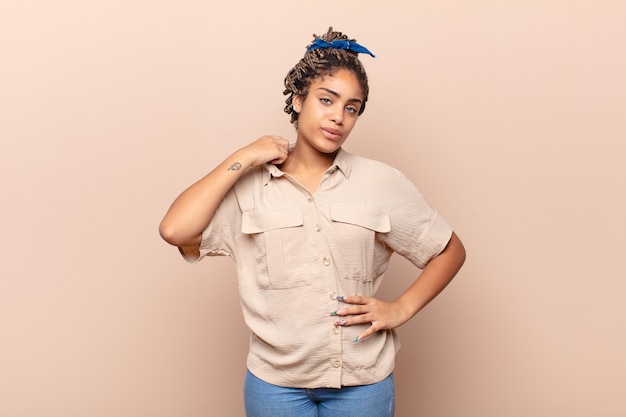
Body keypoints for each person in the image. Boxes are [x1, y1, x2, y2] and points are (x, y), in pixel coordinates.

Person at [159, 27, 466, 417]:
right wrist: (244, 155)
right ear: (299, 99)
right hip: (275, 387)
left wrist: (401, 308)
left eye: (351, 107)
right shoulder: (249, 187)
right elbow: (175, 229)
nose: (338, 117)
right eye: (327, 100)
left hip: (362, 383)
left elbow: (449, 250)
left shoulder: (381, 182)